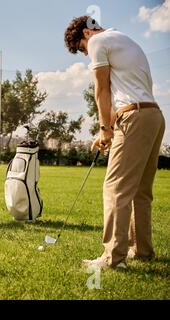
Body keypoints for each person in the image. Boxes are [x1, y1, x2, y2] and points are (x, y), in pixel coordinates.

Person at [64, 16, 165, 269]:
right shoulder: (123, 38)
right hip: (153, 115)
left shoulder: (98, 41)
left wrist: (104, 129)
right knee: (141, 191)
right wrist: (108, 129)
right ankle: (141, 251)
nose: (84, 53)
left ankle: (112, 258)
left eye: (80, 48)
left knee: (115, 188)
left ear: (87, 33)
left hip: (133, 118)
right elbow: (119, 89)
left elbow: (102, 90)